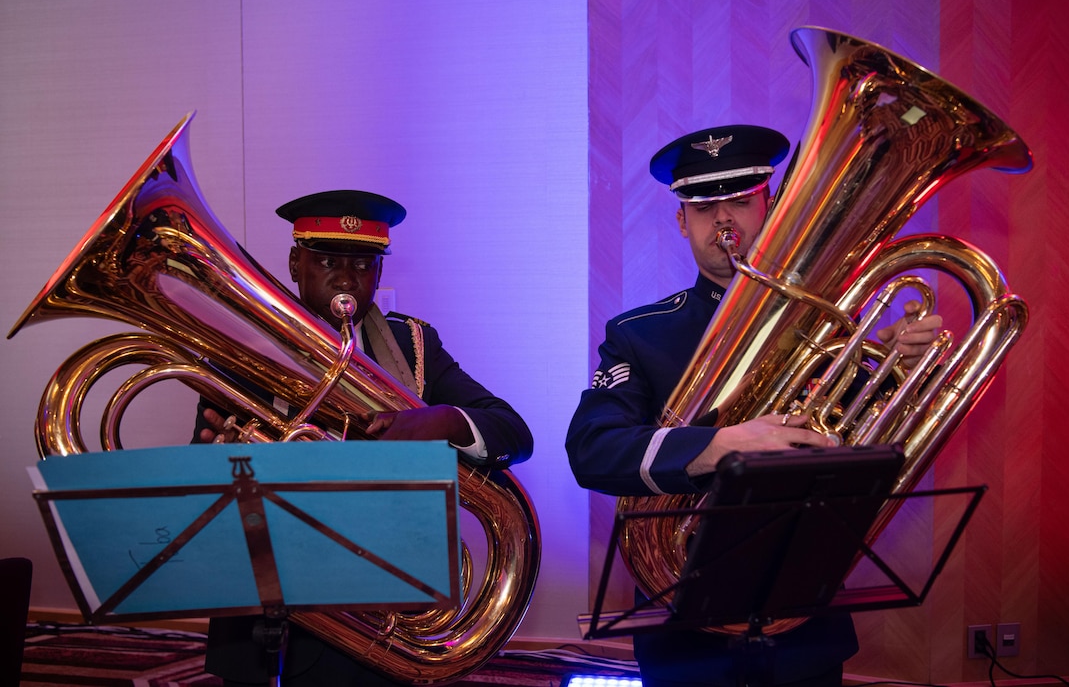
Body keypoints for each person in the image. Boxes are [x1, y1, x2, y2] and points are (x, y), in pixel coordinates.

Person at [565, 125, 943, 687]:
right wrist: (721, 446)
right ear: (681, 222)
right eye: (704, 208)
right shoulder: (639, 335)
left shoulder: (830, 325)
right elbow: (591, 451)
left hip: (804, 619)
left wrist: (903, 374)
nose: (724, 221)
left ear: (771, 206)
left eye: (741, 201)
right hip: (684, 627)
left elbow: (873, 444)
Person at [195, 190, 533, 686]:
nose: (346, 278)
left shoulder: (414, 345)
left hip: (380, 619)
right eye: (327, 260)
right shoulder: (243, 344)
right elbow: (203, 473)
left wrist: (438, 421)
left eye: (363, 264)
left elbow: (513, 433)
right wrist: (215, 458)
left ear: (377, 274)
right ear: (295, 262)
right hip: (264, 617)